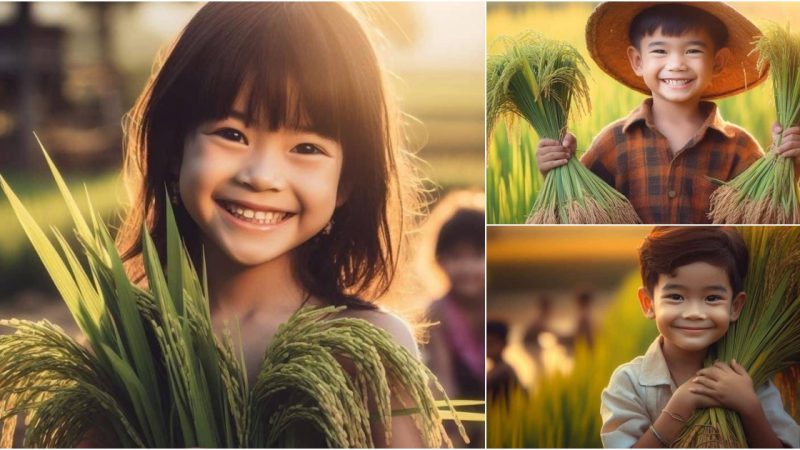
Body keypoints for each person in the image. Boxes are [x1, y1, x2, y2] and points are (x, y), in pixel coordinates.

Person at [114, 3, 429, 447]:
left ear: (346, 183)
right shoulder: (127, 346)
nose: (262, 176)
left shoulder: (370, 350)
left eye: (306, 147)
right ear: (172, 149)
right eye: (232, 134)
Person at [536, 2, 800, 224]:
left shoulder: (739, 148)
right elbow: (578, 210)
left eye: (693, 51)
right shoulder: (612, 143)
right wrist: (556, 169)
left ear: (717, 62)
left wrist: (787, 165)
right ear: (637, 61)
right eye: (660, 51)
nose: (676, 64)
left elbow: (765, 215)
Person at [600, 227, 800, 447]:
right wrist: (679, 408)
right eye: (676, 296)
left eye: (712, 298)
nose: (694, 313)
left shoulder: (749, 379)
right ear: (648, 303)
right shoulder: (628, 383)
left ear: (735, 307)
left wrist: (750, 407)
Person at [423, 208, 485, 447]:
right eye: (457, 256)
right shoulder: (438, 313)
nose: (468, 267)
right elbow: (443, 382)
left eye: (478, 256)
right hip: (461, 416)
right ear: (440, 261)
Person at [487, 320, 520, 405]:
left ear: (504, 344)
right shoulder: (497, 369)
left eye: (492, 343)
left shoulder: (503, 370)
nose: (488, 347)